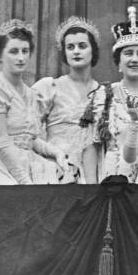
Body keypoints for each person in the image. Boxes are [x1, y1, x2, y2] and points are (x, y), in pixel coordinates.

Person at [0, 20, 70, 184]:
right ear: (0, 56)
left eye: (25, 51)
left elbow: (29, 139)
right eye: (13, 51)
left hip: (24, 161)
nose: (20, 57)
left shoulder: (30, 93)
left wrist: (56, 153)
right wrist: (24, 182)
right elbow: (1, 142)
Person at [33, 17, 101, 183]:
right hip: (56, 169)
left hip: (92, 173)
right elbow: (26, 132)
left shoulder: (103, 92)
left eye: (82, 46)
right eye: (70, 47)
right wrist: (54, 154)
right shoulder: (50, 86)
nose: (76, 51)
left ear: (93, 50)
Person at [95, 6, 138, 183]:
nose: (135, 59)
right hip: (111, 175)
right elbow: (93, 145)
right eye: (128, 53)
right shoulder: (104, 95)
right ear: (119, 62)